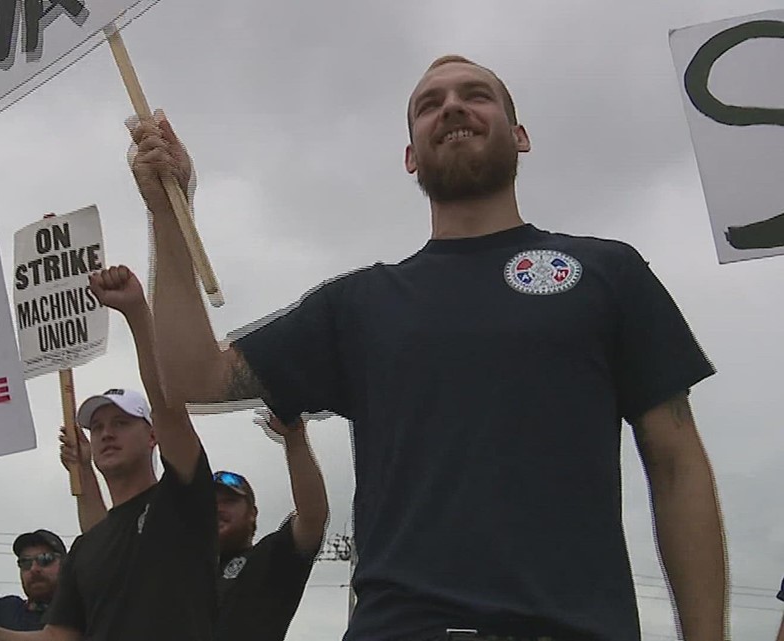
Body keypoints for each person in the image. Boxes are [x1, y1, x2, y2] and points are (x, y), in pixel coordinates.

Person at [128, 55, 728, 641]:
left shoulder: (607, 271)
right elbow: (192, 375)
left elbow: (677, 465)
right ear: (411, 155)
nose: (452, 107)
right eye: (429, 104)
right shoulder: (358, 305)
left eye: (475, 94)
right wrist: (165, 208)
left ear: (519, 135)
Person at [0, 265, 219, 641]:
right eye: (98, 426)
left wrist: (137, 314)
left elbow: (168, 405)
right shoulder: (87, 549)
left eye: (121, 423)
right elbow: (58, 637)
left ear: (152, 437)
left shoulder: (181, 498)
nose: (106, 434)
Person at [60, 409, 328, 641]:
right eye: (210, 502)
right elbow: (103, 543)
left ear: (252, 514)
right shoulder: (172, 562)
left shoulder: (269, 559)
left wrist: (294, 439)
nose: (217, 508)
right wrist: (84, 469)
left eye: (229, 501)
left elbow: (313, 518)